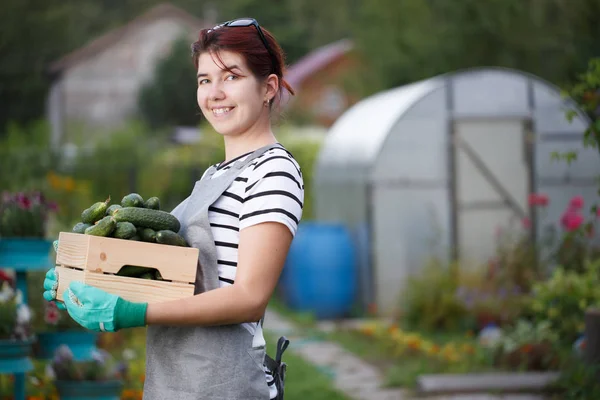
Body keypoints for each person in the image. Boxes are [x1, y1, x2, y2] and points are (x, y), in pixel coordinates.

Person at [43, 18, 304, 400]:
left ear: (268, 88)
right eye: (204, 80)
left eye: (231, 77)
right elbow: (175, 280)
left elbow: (249, 297)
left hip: (224, 386)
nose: (214, 93)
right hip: (179, 382)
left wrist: (133, 312)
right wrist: (86, 280)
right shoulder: (214, 175)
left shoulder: (273, 171)